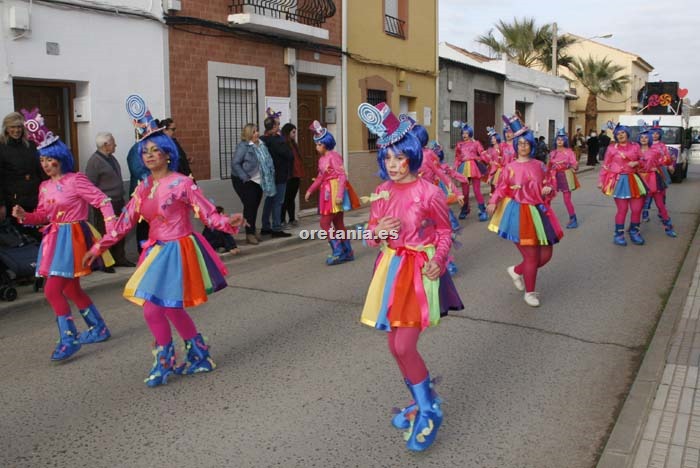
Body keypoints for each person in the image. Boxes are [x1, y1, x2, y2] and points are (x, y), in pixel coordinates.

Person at [84, 95, 244, 387]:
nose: (150, 155)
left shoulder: (182, 182)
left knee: (152, 307)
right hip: (155, 251)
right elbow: (124, 222)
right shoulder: (143, 186)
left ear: (168, 153)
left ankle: (164, 361)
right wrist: (98, 247)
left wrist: (227, 222)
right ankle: (199, 355)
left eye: (156, 150)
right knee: (169, 307)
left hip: (177, 249)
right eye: (145, 151)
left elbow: (205, 213)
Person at [357, 101, 463, 452]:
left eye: (399, 158)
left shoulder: (430, 193)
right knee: (394, 345)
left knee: (404, 344)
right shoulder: (383, 192)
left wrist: (441, 260)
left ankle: (430, 410)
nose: (393, 165)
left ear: (412, 157)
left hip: (419, 271)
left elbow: (445, 233)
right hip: (390, 269)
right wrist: (380, 231)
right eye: (387, 159)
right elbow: (372, 235)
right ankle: (423, 397)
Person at [12, 109, 115, 361]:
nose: (46, 165)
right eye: (42, 161)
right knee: (70, 290)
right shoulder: (44, 186)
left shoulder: (75, 180)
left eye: (50, 159)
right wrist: (25, 215)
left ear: (60, 158)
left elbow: (102, 200)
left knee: (52, 291)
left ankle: (68, 338)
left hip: (73, 238)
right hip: (55, 239)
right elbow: (43, 215)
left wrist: (111, 229)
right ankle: (98, 328)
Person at [487, 116, 563, 307]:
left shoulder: (539, 165)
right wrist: (493, 202)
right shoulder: (509, 168)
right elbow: (501, 188)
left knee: (546, 255)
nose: (523, 146)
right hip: (518, 213)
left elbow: (550, 184)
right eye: (519, 143)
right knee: (531, 256)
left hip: (539, 211)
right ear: (515, 145)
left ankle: (517, 270)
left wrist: (548, 189)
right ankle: (530, 292)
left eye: (526, 143)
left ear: (531, 145)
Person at [304, 120, 357, 265]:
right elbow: (321, 177)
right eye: (317, 144)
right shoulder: (322, 159)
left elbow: (342, 175)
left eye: (319, 144)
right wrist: (310, 190)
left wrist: (339, 195)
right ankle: (347, 251)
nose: (317, 147)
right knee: (338, 223)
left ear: (326, 143)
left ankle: (338, 251)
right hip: (327, 192)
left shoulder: (334, 156)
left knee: (324, 223)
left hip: (333, 192)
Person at [85, 132, 135, 270]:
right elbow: (90, 185)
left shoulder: (111, 158)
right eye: (113, 143)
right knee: (105, 232)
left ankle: (120, 257)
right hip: (105, 204)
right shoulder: (94, 161)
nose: (116, 145)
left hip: (118, 200)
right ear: (105, 145)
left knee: (120, 229)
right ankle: (106, 262)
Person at [598, 123, 647, 246]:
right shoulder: (611, 149)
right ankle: (618, 234)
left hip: (634, 179)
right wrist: (601, 181)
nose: (620, 135)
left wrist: (636, 163)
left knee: (637, 209)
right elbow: (606, 165)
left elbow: (643, 161)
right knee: (623, 209)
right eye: (618, 134)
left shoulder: (635, 146)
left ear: (627, 134)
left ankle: (634, 232)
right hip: (619, 180)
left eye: (622, 133)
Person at [0, 111, 45, 242]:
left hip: (35, 199)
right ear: (6, 128)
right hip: (14, 202)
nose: (16, 130)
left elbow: (40, 170)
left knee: (39, 235)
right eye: (12, 127)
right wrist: (1, 203)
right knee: (22, 239)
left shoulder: (31, 145)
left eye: (19, 126)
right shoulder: (2, 147)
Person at [231, 123, 275, 245]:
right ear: (249, 134)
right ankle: (249, 234)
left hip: (258, 181)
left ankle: (252, 230)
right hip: (244, 181)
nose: (257, 133)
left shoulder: (261, 145)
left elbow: (267, 161)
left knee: (254, 206)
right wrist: (244, 177)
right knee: (249, 206)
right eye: (254, 131)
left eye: (257, 131)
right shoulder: (244, 146)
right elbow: (235, 163)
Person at [637, 124, 676, 237]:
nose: (644, 139)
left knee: (660, 204)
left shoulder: (655, 150)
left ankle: (668, 227)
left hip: (654, 178)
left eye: (646, 136)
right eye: (642, 137)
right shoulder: (635, 151)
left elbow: (665, 160)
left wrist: (670, 162)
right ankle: (634, 228)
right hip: (640, 180)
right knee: (637, 206)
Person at [260, 117, 293, 237]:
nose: (279, 126)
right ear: (273, 127)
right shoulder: (278, 141)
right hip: (279, 175)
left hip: (268, 176)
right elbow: (289, 155)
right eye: (278, 124)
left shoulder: (262, 140)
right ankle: (276, 228)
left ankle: (265, 226)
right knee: (278, 202)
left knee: (269, 200)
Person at [453, 120, 488, 221]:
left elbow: (482, 153)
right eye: (463, 133)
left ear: (470, 134)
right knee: (465, 192)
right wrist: (455, 168)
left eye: (466, 133)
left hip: (473, 167)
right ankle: (465, 209)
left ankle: (482, 210)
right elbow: (457, 158)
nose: (464, 135)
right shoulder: (459, 144)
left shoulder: (476, 143)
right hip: (463, 168)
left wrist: (484, 158)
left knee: (477, 190)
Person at [547, 127, 580, 229]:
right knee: (548, 197)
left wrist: (575, 166)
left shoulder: (569, 152)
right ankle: (546, 218)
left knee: (567, 200)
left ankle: (573, 219)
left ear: (565, 140)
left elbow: (574, 163)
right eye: (558, 139)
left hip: (566, 175)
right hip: (554, 176)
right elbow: (548, 166)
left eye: (562, 139)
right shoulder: (552, 153)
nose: (560, 141)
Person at [126, 140, 150, 254]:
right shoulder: (136, 150)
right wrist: (156, 175)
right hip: (142, 194)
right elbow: (138, 171)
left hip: (154, 193)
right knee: (143, 226)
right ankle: (144, 251)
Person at [281, 123, 304, 227]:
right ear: (287, 132)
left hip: (296, 175)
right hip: (289, 176)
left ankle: (292, 218)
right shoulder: (284, 144)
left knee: (292, 198)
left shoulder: (294, 144)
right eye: (293, 132)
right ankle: (282, 220)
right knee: (286, 198)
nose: (295, 134)